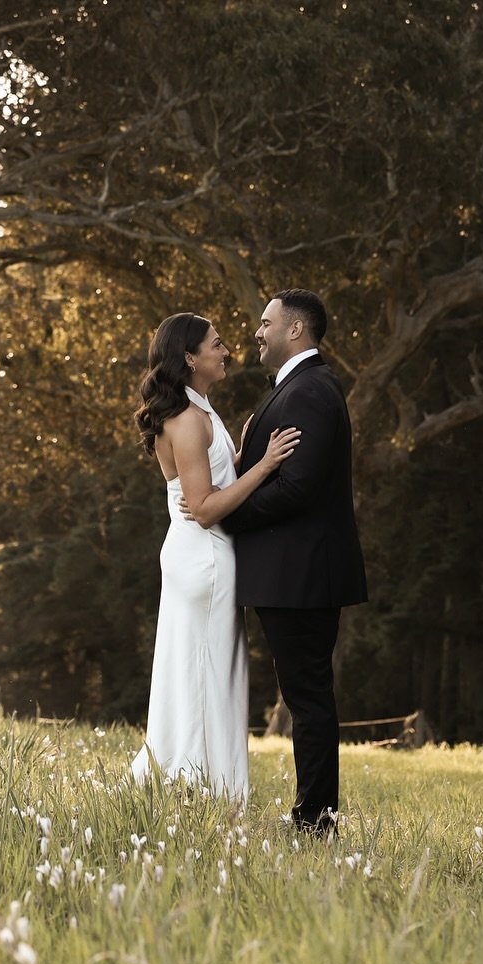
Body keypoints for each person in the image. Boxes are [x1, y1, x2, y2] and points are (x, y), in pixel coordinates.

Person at [130, 312, 300, 800]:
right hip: (202, 557)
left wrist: (241, 457)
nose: (227, 351)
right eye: (216, 344)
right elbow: (204, 509)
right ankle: (200, 787)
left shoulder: (200, 409)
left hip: (206, 555)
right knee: (205, 673)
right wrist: (264, 466)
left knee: (208, 669)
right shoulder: (186, 419)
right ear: (190, 357)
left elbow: (211, 485)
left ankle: (199, 784)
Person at [218, 289, 367, 835]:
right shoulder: (295, 388)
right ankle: (313, 817)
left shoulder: (310, 390)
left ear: (296, 329)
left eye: (266, 323)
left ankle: (315, 823)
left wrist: (229, 515)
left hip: (301, 574)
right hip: (291, 573)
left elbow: (298, 487)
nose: (257, 332)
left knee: (308, 699)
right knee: (306, 697)